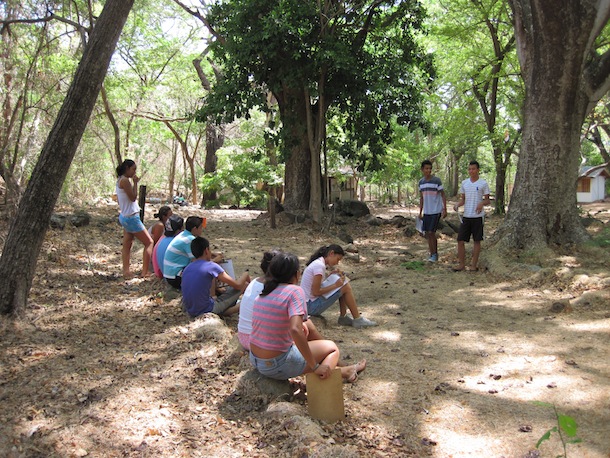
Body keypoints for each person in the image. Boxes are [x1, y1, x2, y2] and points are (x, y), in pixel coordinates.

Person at [249, 252, 366, 383]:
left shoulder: (263, 294)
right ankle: (322, 389)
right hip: (277, 364)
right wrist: (314, 366)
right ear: (297, 274)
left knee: (308, 344)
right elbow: (295, 329)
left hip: (256, 360)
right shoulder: (294, 291)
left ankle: (345, 371)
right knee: (332, 348)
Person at [301, 244, 377, 328]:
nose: (337, 263)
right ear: (331, 253)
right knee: (345, 287)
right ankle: (357, 319)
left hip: (307, 304)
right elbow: (316, 292)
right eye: (337, 259)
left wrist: (331, 276)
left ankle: (344, 317)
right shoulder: (319, 266)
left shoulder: (318, 263)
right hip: (310, 307)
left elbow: (316, 286)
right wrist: (335, 285)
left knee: (342, 284)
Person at [181, 236, 250, 317]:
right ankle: (241, 307)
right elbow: (237, 285)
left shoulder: (188, 267)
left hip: (191, 310)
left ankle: (223, 311)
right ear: (206, 250)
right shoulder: (211, 266)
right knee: (244, 284)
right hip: (207, 309)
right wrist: (246, 274)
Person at [115, 159, 153, 279]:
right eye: (133, 169)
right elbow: (133, 197)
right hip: (131, 218)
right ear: (127, 168)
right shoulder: (125, 180)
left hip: (125, 216)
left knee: (127, 244)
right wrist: (135, 183)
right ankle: (145, 271)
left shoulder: (120, 180)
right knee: (149, 242)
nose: (134, 172)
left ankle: (126, 271)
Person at [452, 160, 491, 272]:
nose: (471, 171)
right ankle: (461, 264)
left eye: (473, 169)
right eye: (469, 169)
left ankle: (473, 265)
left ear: (478, 170)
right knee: (460, 240)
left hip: (478, 216)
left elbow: (487, 200)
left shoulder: (483, 183)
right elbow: (463, 199)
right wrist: (457, 205)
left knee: (477, 241)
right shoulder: (465, 183)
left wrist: (481, 204)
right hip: (466, 216)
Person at [163, 216, 204, 289]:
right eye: (201, 227)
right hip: (175, 277)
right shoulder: (189, 239)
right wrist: (214, 260)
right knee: (205, 269)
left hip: (169, 274)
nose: (202, 230)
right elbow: (197, 261)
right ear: (195, 229)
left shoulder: (183, 235)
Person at [418, 159, 447, 262]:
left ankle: (435, 254)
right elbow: (421, 198)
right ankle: (432, 253)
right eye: (426, 168)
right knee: (427, 233)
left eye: (430, 168)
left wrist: (444, 208)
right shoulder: (421, 182)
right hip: (427, 211)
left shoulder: (436, 181)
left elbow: (443, 194)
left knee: (432, 232)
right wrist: (420, 212)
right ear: (422, 169)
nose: (428, 170)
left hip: (436, 210)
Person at [152, 215, 183, 279]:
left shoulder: (162, 239)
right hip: (171, 277)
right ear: (179, 230)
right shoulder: (176, 243)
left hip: (160, 272)